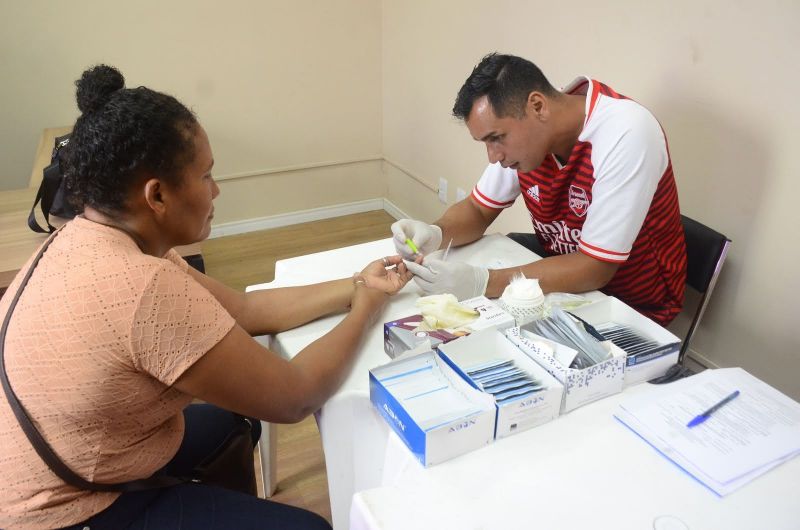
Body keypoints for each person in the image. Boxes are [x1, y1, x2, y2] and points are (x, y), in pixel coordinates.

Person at [0, 65, 411, 530]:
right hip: (61, 513)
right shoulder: (143, 287)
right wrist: (365, 312)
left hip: (71, 462)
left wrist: (358, 284)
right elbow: (294, 397)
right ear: (156, 195)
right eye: (207, 176)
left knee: (231, 424)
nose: (216, 191)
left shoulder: (94, 237)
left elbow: (245, 311)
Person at [396, 53, 687, 325]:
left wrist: (483, 283)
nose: (493, 156)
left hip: (631, 304)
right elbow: (477, 209)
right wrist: (435, 233)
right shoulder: (531, 135)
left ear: (537, 106)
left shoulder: (627, 132)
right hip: (558, 282)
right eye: (485, 142)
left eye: (496, 138)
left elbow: (596, 267)